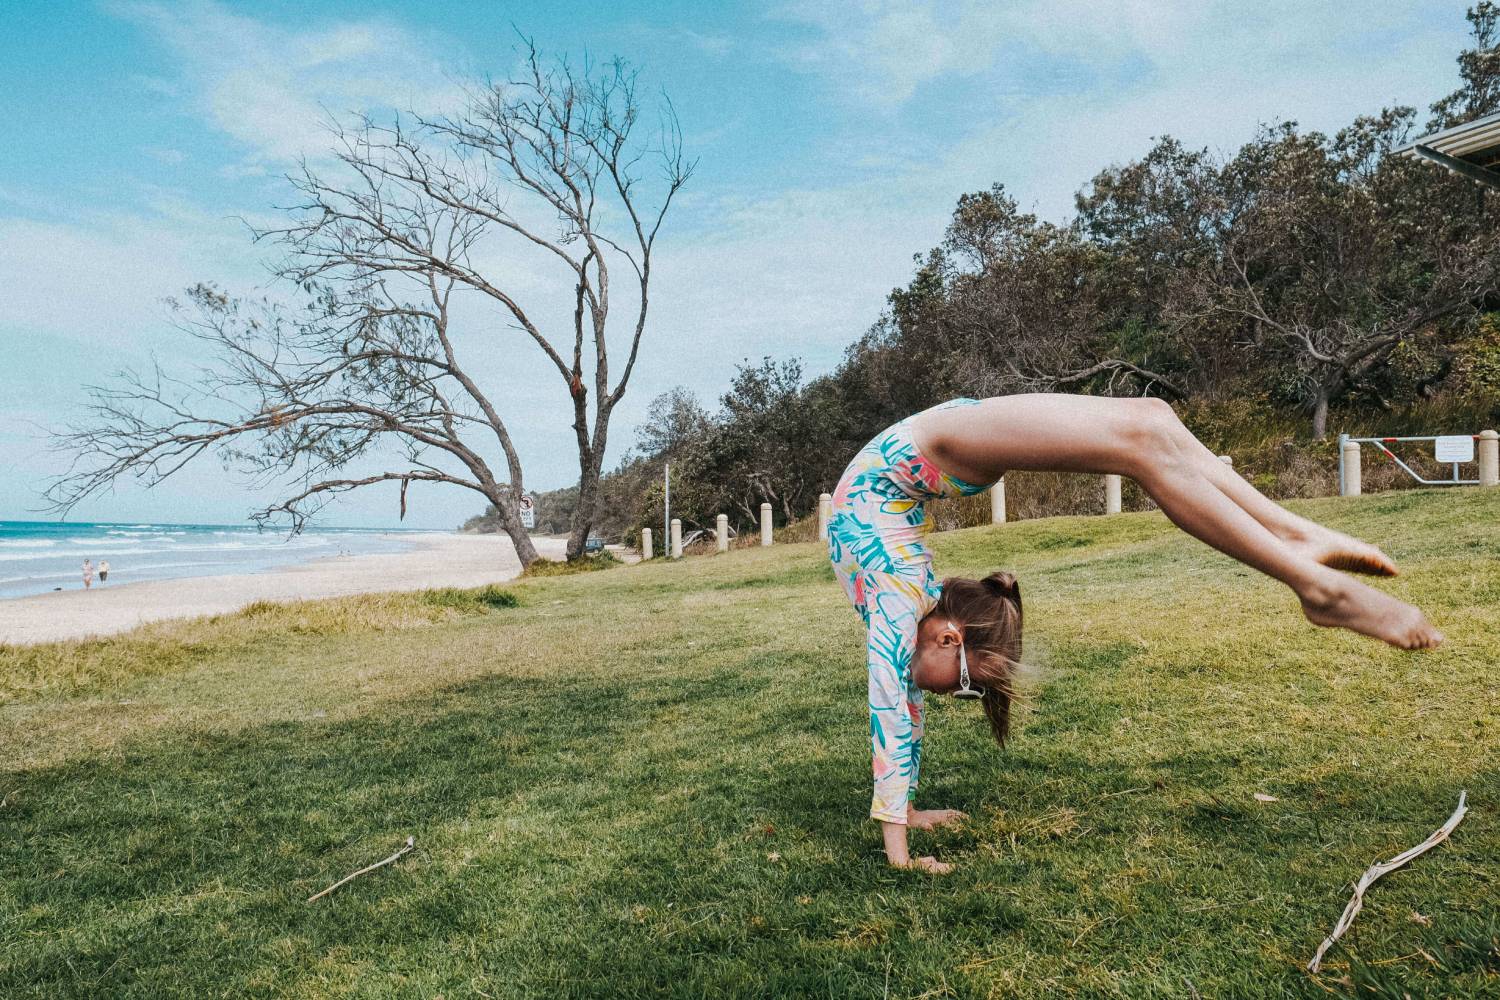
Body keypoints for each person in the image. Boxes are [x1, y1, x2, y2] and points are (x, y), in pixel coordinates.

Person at [827, 394, 1442, 875]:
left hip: (930, 444)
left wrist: (897, 847)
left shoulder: (896, 600)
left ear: (947, 639)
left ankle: (1313, 581)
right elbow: (905, 702)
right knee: (1150, 423)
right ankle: (1296, 543)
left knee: (1149, 432)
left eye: (961, 687)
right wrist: (907, 808)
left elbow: (890, 706)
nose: (947, 696)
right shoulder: (909, 601)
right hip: (924, 450)